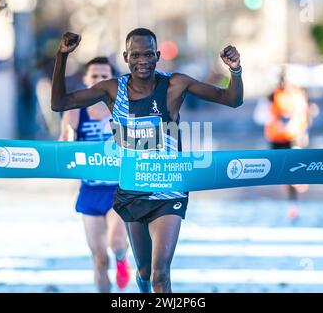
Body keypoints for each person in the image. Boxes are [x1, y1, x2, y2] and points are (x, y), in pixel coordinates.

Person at [51, 28, 243, 293]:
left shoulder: (176, 84)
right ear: (126, 57)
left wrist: (235, 71)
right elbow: (59, 102)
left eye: (149, 54)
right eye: (136, 55)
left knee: (160, 274)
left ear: (158, 56)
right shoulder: (112, 90)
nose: (143, 60)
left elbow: (232, 99)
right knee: (143, 272)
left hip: (169, 190)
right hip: (132, 191)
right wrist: (62, 56)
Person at [59, 57, 130, 293]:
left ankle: (122, 260)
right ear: (86, 79)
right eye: (95, 76)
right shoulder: (76, 112)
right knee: (99, 258)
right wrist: (68, 138)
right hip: (90, 190)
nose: (99, 80)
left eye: (104, 76)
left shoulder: (123, 108)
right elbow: (64, 146)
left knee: (117, 242)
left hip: (119, 188)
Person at [264, 67, 313, 221]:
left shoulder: (299, 95)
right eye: (283, 80)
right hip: (277, 139)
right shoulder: (273, 95)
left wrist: (304, 134)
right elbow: (264, 114)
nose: (286, 83)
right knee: (282, 174)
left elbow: (305, 115)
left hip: (293, 137)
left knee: (293, 173)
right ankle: (290, 200)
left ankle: (293, 204)